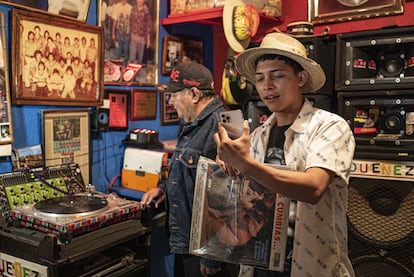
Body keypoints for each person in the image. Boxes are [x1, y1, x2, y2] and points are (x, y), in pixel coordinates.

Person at [214, 32, 356, 277]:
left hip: (313, 265)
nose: (267, 86)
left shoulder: (330, 126)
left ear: (300, 78)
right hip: (260, 262)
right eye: (259, 79)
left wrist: (246, 165)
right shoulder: (258, 135)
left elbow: (313, 188)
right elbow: (249, 195)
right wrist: (226, 171)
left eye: (277, 76)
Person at [141, 61, 239, 277]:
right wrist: (164, 189)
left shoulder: (228, 122)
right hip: (187, 240)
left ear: (194, 94)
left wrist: (212, 255)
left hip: (208, 251)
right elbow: (188, 172)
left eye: (175, 95)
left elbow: (230, 197)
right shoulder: (190, 122)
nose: (171, 101)